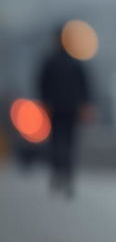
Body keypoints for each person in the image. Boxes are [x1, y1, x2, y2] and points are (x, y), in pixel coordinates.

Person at [36, 23, 95, 198]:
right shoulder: (74, 62)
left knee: (57, 141)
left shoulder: (50, 61)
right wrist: (85, 105)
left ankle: (59, 173)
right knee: (69, 142)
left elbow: (42, 85)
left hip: (56, 108)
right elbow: (85, 86)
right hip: (71, 108)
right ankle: (66, 175)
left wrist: (45, 103)